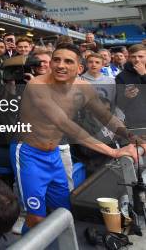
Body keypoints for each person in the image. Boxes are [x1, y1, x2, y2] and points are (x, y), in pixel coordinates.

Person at [12, 43, 142, 231]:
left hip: (54, 155)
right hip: (29, 155)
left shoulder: (83, 87)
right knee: (35, 218)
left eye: (68, 61)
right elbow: (65, 124)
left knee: (63, 212)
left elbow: (106, 117)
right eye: (56, 60)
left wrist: (132, 138)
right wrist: (114, 151)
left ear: (79, 68)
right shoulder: (37, 85)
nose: (60, 65)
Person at [115, 44, 146, 129]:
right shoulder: (121, 76)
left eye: (141, 56)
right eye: (133, 56)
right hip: (135, 122)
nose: (137, 59)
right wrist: (126, 96)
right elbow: (119, 103)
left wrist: (143, 75)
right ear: (128, 58)